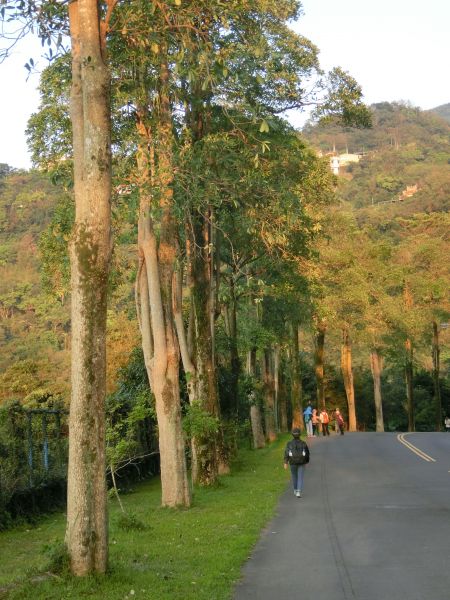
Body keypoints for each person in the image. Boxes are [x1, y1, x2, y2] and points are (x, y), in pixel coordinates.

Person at [283, 428, 310, 498]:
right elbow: (307, 453)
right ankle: (298, 491)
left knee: (294, 476)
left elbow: (286, 453)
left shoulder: (289, 444)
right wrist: (306, 461)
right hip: (301, 462)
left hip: (292, 462)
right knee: (300, 477)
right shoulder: (303, 443)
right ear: (300, 435)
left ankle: (295, 490)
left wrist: (285, 462)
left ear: (292, 435)